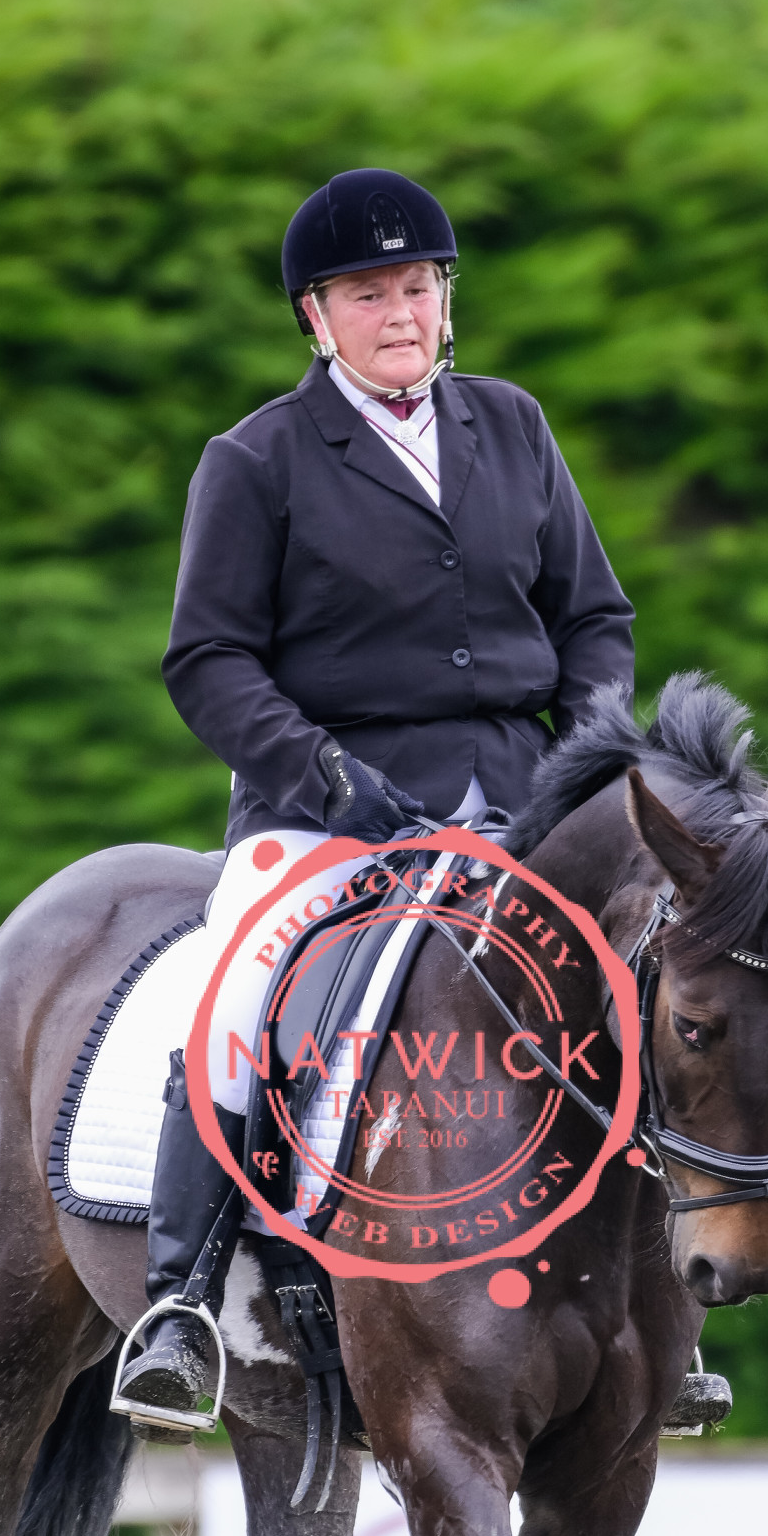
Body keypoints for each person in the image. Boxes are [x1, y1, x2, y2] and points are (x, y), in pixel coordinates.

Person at [116, 167, 635, 1423]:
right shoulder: (258, 459)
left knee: (654, 985)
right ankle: (181, 1302)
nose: (400, 313)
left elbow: (593, 619)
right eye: (368, 293)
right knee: (238, 993)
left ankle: (646, 1313)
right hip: (325, 808)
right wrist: (331, 779)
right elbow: (208, 659)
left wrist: (589, 762)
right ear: (316, 316)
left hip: (520, 804)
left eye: (417, 287)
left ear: (445, 299)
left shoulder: (511, 424)